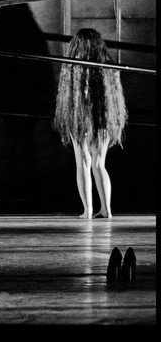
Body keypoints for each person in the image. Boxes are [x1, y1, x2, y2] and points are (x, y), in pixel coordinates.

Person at [53, 27, 127, 219]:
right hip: (104, 116)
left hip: (81, 115)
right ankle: (106, 209)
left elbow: (78, 94)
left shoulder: (74, 65)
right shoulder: (106, 65)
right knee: (99, 164)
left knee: (83, 163)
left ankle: (88, 210)